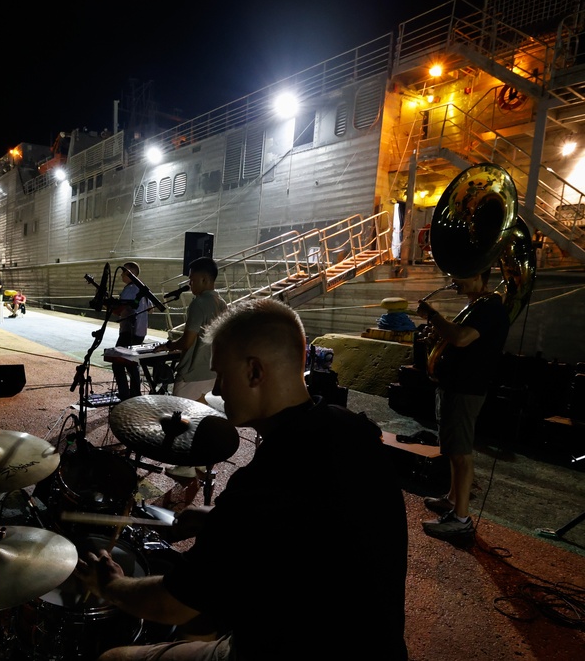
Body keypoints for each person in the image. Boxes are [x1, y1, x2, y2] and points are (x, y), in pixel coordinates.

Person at [76, 298, 408, 660]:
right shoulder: (350, 430)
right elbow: (311, 530)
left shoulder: (266, 480)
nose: (216, 390)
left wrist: (112, 583)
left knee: (113, 658)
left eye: (221, 374)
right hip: (377, 644)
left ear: (254, 372)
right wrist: (213, 521)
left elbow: (173, 604)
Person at [417, 269, 510, 539]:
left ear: (480, 275)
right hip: (453, 386)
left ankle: (461, 518)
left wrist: (433, 316)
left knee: (460, 452)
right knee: (452, 448)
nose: (455, 280)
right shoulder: (477, 306)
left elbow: (461, 338)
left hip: (466, 389)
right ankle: (452, 499)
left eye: (462, 274)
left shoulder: (490, 307)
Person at [153, 256, 227, 404]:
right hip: (212, 373)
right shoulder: (222, 303)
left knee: (181, 420)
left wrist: (168, 345)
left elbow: (187, 342)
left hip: (192, 376)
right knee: (203, 422)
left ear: (204, 279)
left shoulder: (198, 303)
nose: (190, 283)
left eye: (192, 279)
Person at [111, 261, 152, 400]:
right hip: (140, 332)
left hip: (128, 331)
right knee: (132, 362)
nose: (121, 275)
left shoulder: (129, 289)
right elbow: (151, 308)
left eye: (124, 272)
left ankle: (125, 394)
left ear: (131, 274)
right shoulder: (143, 288)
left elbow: (119, 311)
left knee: (117, 362)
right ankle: (135, 393)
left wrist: (107, 304)